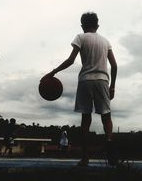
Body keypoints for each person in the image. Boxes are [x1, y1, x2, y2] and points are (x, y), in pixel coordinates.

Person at [42, 12, 118, 166]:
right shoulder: (105, 41)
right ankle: (110, 148)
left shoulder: (80, 37)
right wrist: (113, 86)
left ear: (82, 25)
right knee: (106, 117)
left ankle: (85, 158)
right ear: (97, 25)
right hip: (102, 80)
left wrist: (53, 72)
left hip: (85, 81)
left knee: (86, 119)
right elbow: (114, 65)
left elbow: (71, 60)